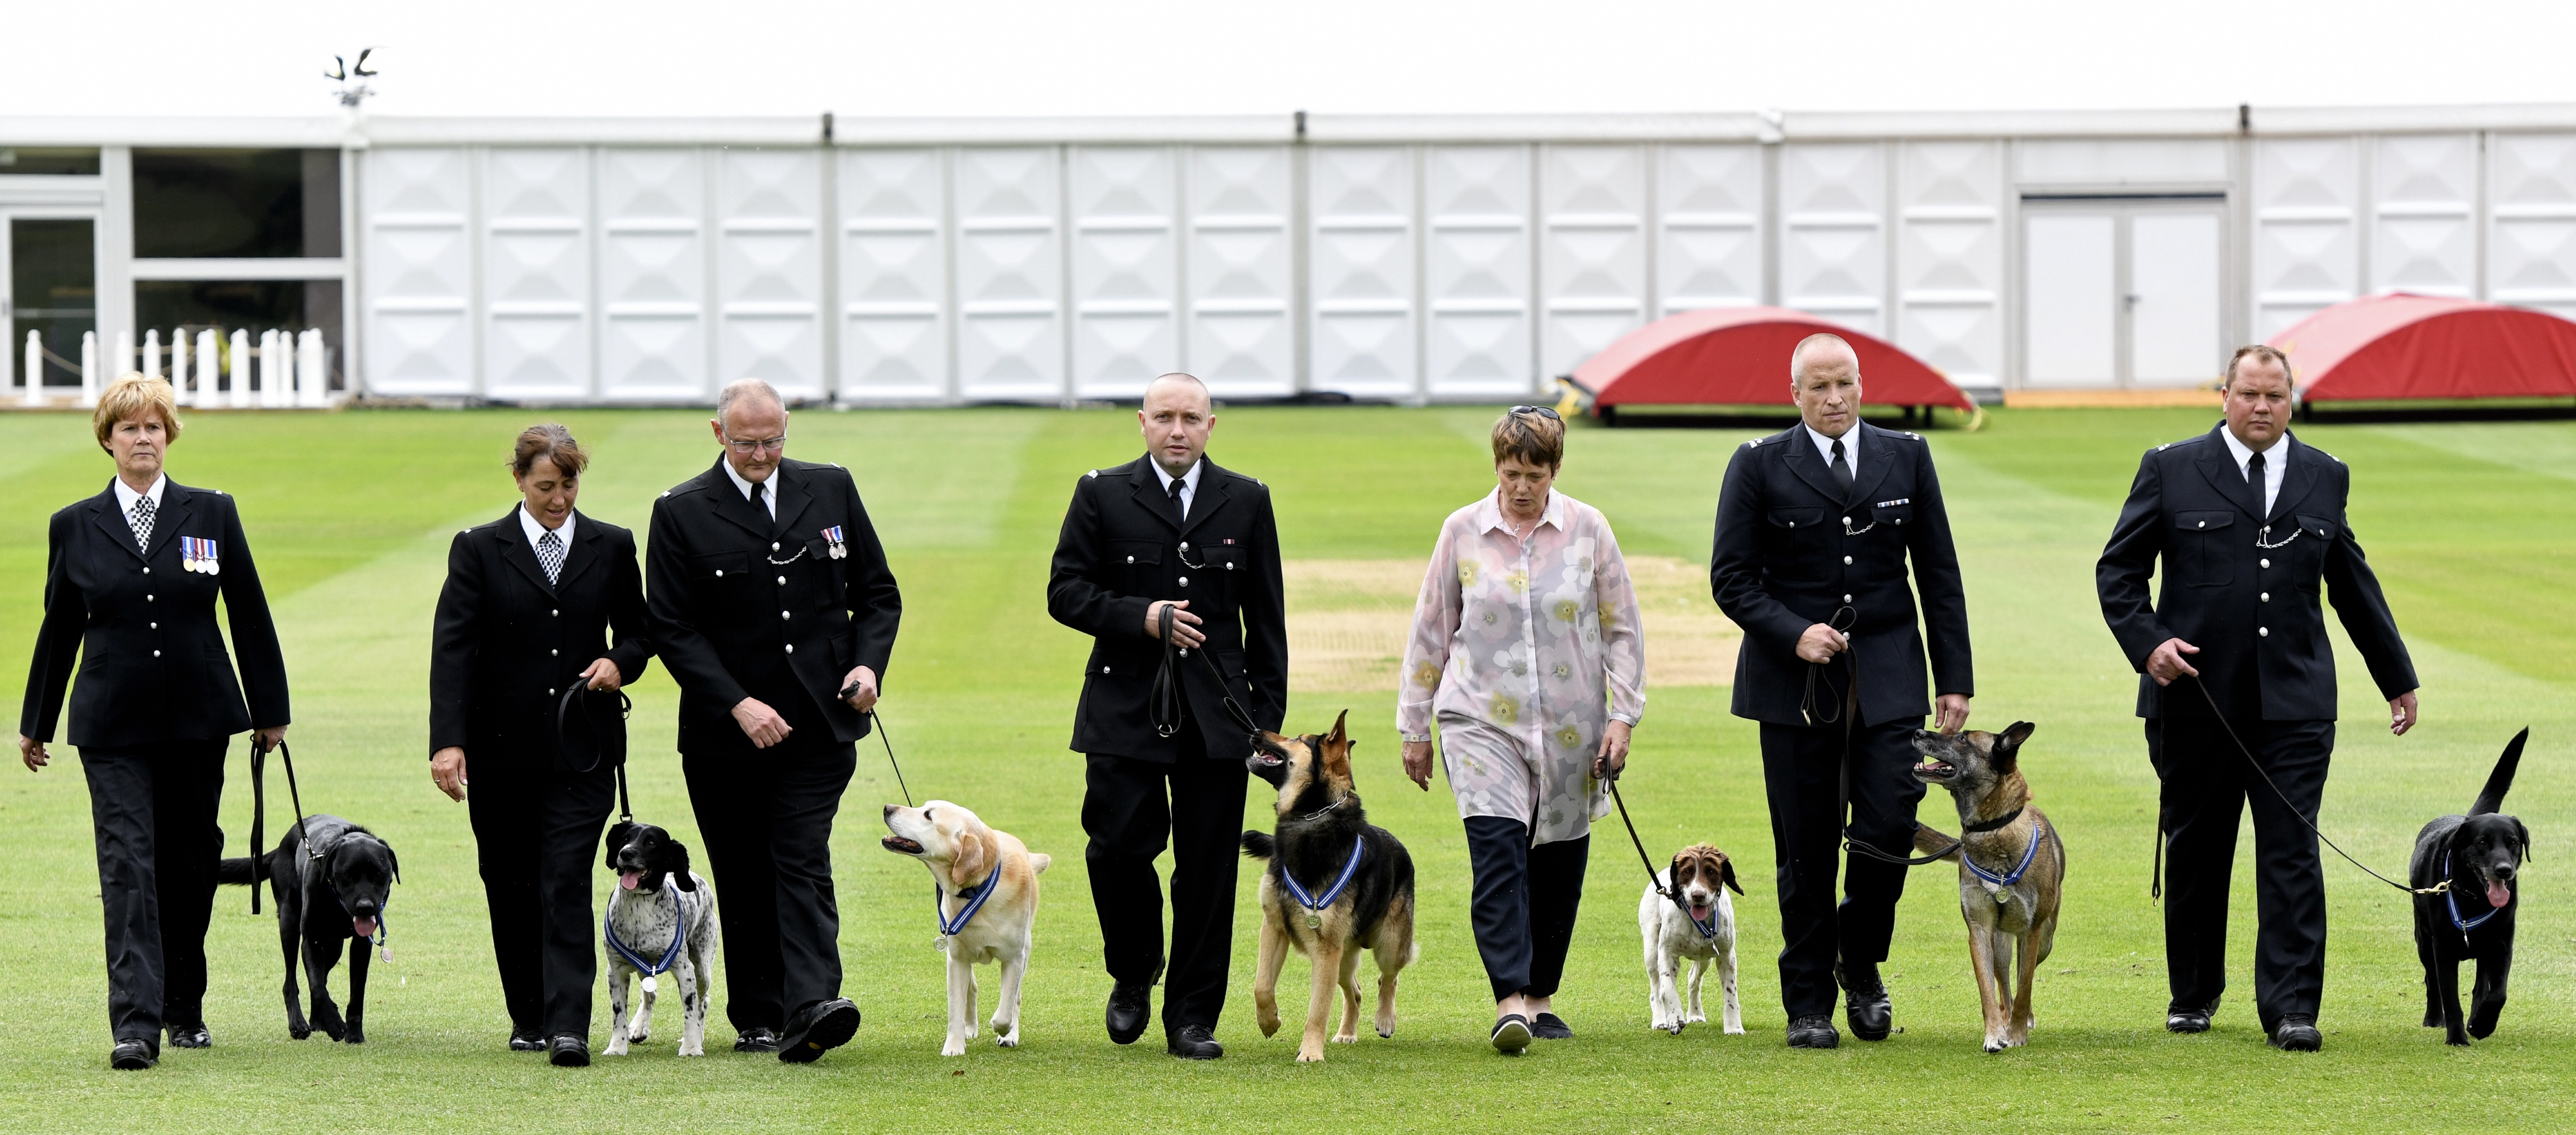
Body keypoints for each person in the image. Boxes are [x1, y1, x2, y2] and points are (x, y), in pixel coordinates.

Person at [2097, 344, 2418, 1052]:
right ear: (2223, 395)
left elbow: (2350, 583)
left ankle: (2292, 1008)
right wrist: (2147, 644)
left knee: (2290, 852)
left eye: (2274, 396)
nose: (2260, 408)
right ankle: (2193, 994)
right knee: (2197, 850)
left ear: (2290, 399)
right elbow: (2118, 571)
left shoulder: (2323, 475)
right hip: (2194, 701)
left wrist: (2395, 675)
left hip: (2295, 705)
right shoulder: (2170, 468)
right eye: (2247, 395)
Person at [16, 374, 290, 1070]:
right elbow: (59, 629)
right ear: (107, 439)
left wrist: (271, 711)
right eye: (130, 428)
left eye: (155, 427)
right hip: (111, 727)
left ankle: (183, 1006)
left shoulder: (212, 513)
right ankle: (135, 1025)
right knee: (127, 866)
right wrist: (36, 722)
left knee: (191, 864)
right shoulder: (74, 525)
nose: (144, 439)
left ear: (169, 437)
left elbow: (249, 614)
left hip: (199, 720)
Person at [1710, 333, 1972, 1050]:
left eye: (1845, 385)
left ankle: (1858, 961)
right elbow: (1731, 579)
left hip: (1890, 677)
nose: (1834, 400)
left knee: (1889, 826)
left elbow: (1938, 574)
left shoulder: (1906, 455)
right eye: (1818, 387)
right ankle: (1807, 1004)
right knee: (1805, 846)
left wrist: (1954, 679)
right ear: (1793, 393)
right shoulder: (1759, 464)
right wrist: (1793, 632)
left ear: (1862, 386)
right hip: (1791, 684)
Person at [645, 378, 901, 1063]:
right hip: (722, 735)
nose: (761, 454)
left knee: (799, 856)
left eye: (773, 440)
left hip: (820, 725)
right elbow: (671, 627)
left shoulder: (831, 488)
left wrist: (868, 668)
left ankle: (814, 1003)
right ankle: (758, 1014)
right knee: (742, 867)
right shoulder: (680, 511)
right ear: (717, 433)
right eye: (746, 442)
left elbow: (876, 596)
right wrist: (736, 703)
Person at [1045, 372, 1286, 1060]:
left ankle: (1191, 1017)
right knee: (1118, 849)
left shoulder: (1245, 500)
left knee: (1207, 871)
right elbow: (1065, 592)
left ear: (1212, 425)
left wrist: (1262, 726)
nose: (1176, 430)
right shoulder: (1100, 493)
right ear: (1142, 423)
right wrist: (1140, 617)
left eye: (1190, 418)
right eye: (1164, 417)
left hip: (1219, 718)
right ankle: (1132, 969)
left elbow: (1267, 622)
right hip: (1123, 708)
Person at [1397, 405, 1644, 1054]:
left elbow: (1621, 629)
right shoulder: (1461, 532)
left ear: (1555, 469)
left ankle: (1539, 995)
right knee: (1496, 847)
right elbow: (1430, 629)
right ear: (1496, 468)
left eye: (1535, 473)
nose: (1522, 485)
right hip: (1479, 717)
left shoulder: (1589, 529)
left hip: (1572, 724)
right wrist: (1414, 726)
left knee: (1559, 859)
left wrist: (1622, 716)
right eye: (1511, 472)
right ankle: (1509, 998)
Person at [429, 424, 654, 1067]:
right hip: (498, 754)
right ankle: (527, 1015)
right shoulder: (477, 549)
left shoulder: (610, 545)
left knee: (562, 879)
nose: (559, 499)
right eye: (546, 486)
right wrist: (448, 744)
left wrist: (618, 661)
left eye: (569, 484)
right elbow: (453, 652)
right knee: (509, 881)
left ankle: (567, 1025)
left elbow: (641, 633)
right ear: (520, 480)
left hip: (581, 752)